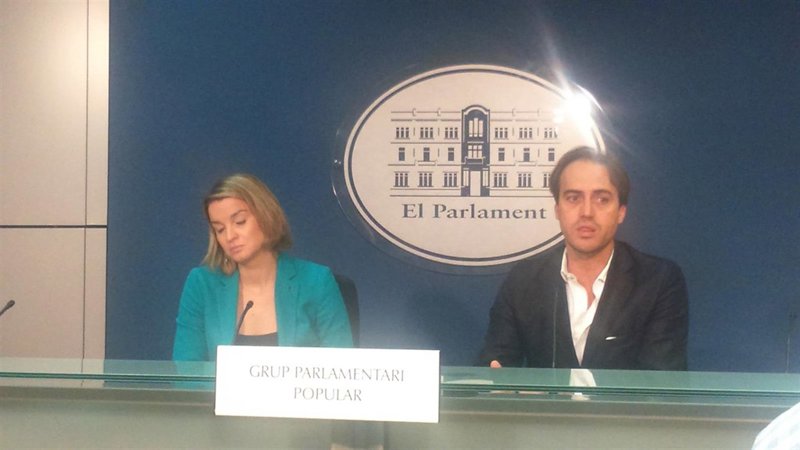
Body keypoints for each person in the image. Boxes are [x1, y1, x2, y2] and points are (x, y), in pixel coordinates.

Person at [479, 147, 688, 370]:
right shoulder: (523, 280)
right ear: (557, 209)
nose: (586, 212)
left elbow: (660, 379)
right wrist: (495, 378)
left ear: (621, 212)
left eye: (602, 199)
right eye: (573, 198)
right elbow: (495, 362)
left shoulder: (657, 281)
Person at [173, 174, 353, 361]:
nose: (230, 236)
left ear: (266, 215)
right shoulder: (202, 285)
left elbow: (342, 367)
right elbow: (186, 370)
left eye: (240, 222)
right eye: (220, 229)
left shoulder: (316, 282)